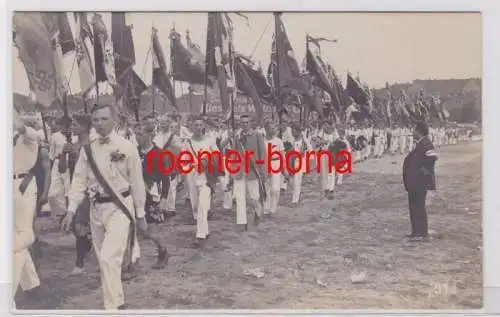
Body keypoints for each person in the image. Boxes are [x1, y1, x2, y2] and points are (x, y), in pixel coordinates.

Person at [60, 104, 148, 310]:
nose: (99, 123)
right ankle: (117, 300)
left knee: (109, 257)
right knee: (105, 260)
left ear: (114, 120)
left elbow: (136, 182)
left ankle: (111, 308)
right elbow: (79, 181)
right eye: (96, 120)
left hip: (120, 207)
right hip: (96, 208)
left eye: (103, 119)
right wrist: (71, 210)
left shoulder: (127, 147)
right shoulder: (88, 149)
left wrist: (141, 213)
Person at [13, 108, 42, 308]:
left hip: (23, 184)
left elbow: (21, 127)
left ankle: (9, 287)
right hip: (9, 184)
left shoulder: (32, 136)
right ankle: (31, 283)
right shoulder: (14, 138)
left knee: (22, 234)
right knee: (14, 231)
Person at [402, 121, 438, 242]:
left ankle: (421, 233)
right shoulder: (419, 143)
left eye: (414, 130)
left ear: (419, 131)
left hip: (419, 181)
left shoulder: (426, 143)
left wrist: (423, 170)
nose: (412, 132)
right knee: (414, 207)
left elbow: (433, 157)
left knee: (419, 207)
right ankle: (416, 232)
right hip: (414, 181)